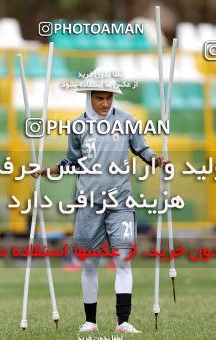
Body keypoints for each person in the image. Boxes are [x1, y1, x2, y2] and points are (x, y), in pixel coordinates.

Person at [33, 68, 169, 334]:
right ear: (90, 97)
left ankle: (123, 322)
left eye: (108, 97)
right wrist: (46, 170)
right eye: (99, 98)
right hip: (88, 203)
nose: (105, 103)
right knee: (90, 262)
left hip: (120, 201)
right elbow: (71, 161)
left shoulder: (127, 120)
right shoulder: (77, 127)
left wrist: (158, 161)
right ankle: (90, 321)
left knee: (122, 259)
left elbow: (143, 150)